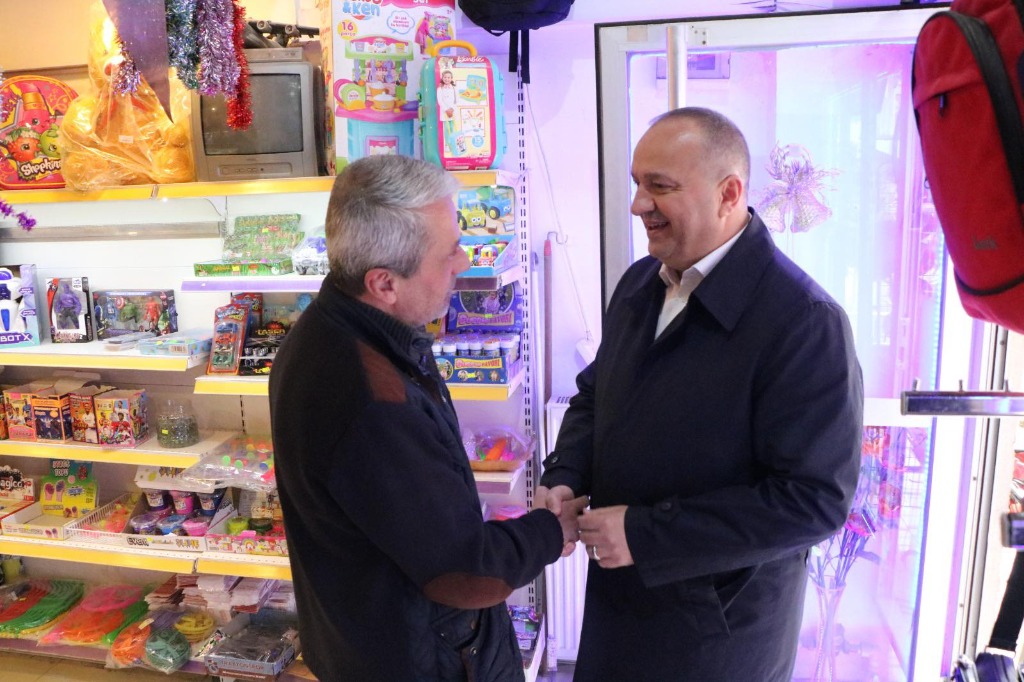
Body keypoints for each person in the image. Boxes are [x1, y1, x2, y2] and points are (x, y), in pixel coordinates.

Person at [537, 107, 864, 681]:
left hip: (717, 638)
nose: (639, 204)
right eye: (637, 184)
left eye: (659, 186)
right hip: (620, 607)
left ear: (728, 193)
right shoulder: (640, 284)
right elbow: (595, 396)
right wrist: (565, 475)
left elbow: (813, 501)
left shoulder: (804, 321)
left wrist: (645, 534)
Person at [269, 155, 585, 682]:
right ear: (384, 283)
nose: (464, 261)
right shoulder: (370, 400)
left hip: (365, 637)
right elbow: (464, 573)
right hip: (413, 658)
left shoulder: (331, 329)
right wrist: (552, 531)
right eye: (450, 252)